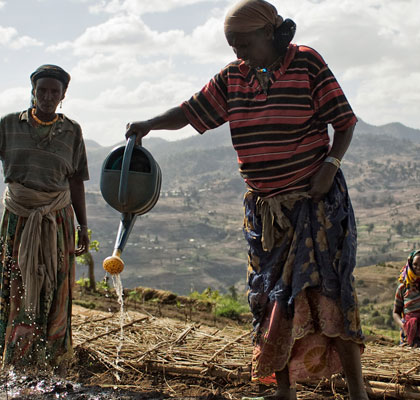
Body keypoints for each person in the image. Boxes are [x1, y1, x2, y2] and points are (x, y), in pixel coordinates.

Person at [123, 1, 368, 398]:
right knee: (275, 303)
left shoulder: (306, 63)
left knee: (329, 297)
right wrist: (150, 124)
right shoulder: (233, 78)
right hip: (267, 215)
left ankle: (357, 391)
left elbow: (344, 121)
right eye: (231, 43)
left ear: (269, 32)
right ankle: (284, 391)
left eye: (242, 41)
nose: (237, 50)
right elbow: (190, 112)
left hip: (314, 205)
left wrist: (330, 165)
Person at [0, 64, 90, 369]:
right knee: (17, 283)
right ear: (32, 92)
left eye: (55, 91)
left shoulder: (72, 132)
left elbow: (76, 181)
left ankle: (51, 356)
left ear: (64, 95)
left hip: (57, 220)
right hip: (20, 220)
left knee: (56, 283)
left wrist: (83, 226)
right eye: (43, 90)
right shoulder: (10, 125)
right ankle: (16, 354)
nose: (48, 97)